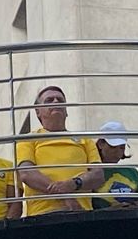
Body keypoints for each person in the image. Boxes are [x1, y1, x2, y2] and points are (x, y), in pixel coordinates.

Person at [15, 86, 103, 215]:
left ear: (66, 111)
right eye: (49, 100)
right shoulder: (28, 139)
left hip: (82, 213)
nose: (56, 102)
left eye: (60, 100)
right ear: (38, 111)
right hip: (43, 214)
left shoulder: (85, 140)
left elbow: (98, 175)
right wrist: (65, 194)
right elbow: (27, 174)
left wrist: (74, 184)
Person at [91, 122, 138, 209]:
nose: (117, 152)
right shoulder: (90, 171)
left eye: (122, 147)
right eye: (113, 147)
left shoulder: (132, 172)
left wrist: (133, 206)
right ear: (101, 144)